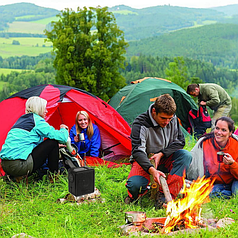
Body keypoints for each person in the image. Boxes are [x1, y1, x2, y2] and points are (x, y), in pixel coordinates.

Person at [125, 94, 192, 207]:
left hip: (165, 158)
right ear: (154, 111)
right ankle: (138, 193)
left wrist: (161, 154)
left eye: (169, 118)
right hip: (144, 160)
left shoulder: (173, 119)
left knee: (185, 155)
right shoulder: (140, 123)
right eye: (163, 118)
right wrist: (152, 170)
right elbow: (137, 151)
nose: (167, 122)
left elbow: (180, 141)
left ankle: (165, 197)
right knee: (135, 186)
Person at [0, 96, 69, 181]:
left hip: (5, 165)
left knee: (48, 145)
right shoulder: (37, 121)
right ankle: (54, 176)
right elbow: (63, 138)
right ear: (38, 108)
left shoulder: (21, 120)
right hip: (19, 165)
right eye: (44, 108)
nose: (46, 111)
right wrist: (63, 129)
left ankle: (17, 177)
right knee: (52, 142)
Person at [187, 117, 238, 198]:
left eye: (223, 130)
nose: (219, 132)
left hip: (234, 180)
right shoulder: (205, 143)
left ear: (230, 132)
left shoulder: (236, 144)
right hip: (215, 183)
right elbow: (192, 164)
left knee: (237, 192)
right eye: (217, 128)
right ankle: (227, 194)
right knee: (207, 194)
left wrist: (232, 163)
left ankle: (229, 194)